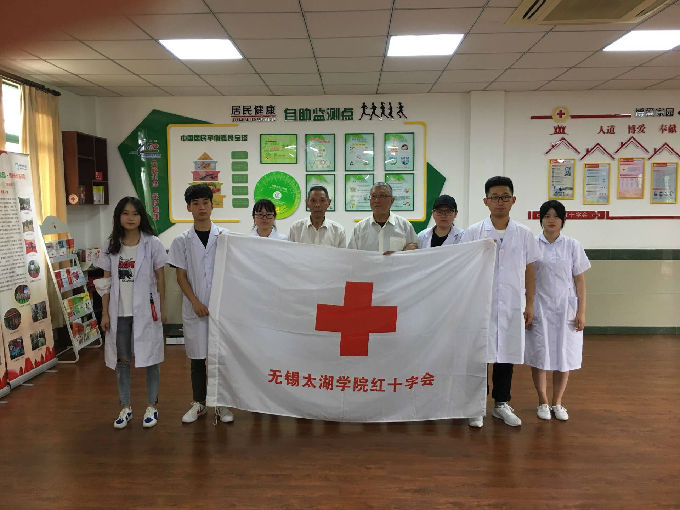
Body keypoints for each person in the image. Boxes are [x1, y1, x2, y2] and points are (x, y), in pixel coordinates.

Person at [460, 176, 539, 428]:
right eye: (494, 197)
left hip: (512, 303)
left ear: (513, 200)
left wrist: (530, 303)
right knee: (479, 355)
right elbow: (463, 266)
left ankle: (501, 403)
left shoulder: (524, 234)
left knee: (506, 353)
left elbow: (529, 270)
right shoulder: (473, 232)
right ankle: (476, 405)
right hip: (480, 303)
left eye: (505, 197)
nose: (500, 202)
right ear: (486, 201)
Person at [94, 197, 167, 429]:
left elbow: (161, 278)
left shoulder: (152, 243)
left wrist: (162, 308)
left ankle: (152, 406)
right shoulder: (111, 244)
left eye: (135, 213)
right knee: (122, 360)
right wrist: (105, 314)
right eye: (125, 213)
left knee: (151, 358)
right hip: (120, 313)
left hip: (146, 311)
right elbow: (105, 283)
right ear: (118, 217)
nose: (131, 218)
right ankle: (125, 407)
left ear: (141, 216)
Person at [168, 184, 234, 425]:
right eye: (195, 204)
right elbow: (180, 276)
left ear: (212, 205)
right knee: (197, 358)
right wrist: (195, 302)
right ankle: (200, 402)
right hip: (194, 309)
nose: (201, 208)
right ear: (189, 208)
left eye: (205, 202)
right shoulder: (181, 241)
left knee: (220, 358)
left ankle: (222, 403)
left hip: (221, 308)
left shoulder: (225, 237)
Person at [525, 200, 590, 422]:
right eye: (547, 216)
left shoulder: (572, 245)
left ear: (563, 220)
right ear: (540, 219)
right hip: (540, 307)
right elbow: (526, 278)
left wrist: (581, 312)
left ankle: (558, 402)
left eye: (556, 216)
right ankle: (542, 401)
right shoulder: (532, 244)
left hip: (566, 309)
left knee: (564, 356)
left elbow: (580, 281)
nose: (551, 220)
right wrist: (528, 306)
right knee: (540, 355)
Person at [347, 182, 418, 253]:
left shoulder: (405, 226)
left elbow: (415, 253)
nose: (377, 200)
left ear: (392, 200)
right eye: (373, 196)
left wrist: (401, 253)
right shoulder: (360, 228)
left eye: (382, 196)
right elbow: (351, 256)